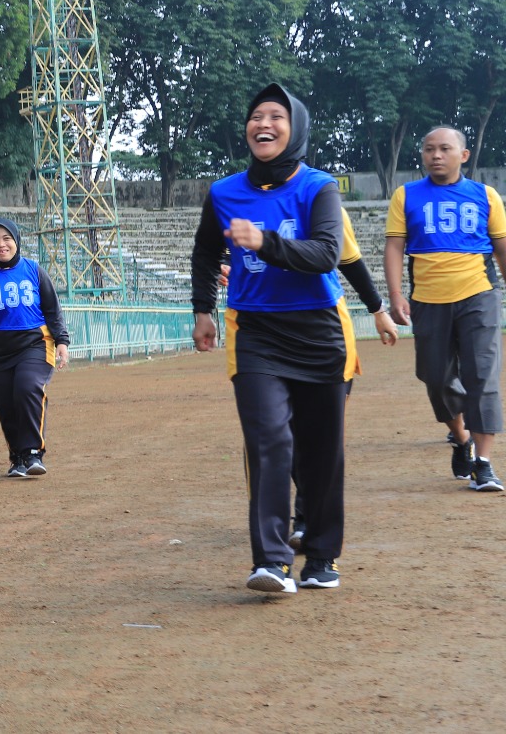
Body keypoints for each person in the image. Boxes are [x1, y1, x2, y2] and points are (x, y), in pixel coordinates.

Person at [191, 84, 354, 595]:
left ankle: (322, 555)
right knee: (268, 441)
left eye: (277, 116)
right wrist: (202, 311)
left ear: (296, 127)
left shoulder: (319, 187)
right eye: (256, 116)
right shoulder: (223, 193)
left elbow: (326, 254)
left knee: (321, 451)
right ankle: (272, 562)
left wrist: (264, 242)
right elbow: (203, 253)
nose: (264, 123)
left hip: (318, 330)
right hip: (256, 331)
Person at [384, 126, 506, 492]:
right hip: (427, 300)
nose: (436, 155)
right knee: (434, 377)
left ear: (463, 155)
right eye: (429, 149)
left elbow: (501, 247)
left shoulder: (485, 195)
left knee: (481, 377)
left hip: (478, 295)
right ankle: (461, 437)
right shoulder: (406, 196)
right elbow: (394, 248)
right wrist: (395, 295)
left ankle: (483, 464)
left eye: (445, 149)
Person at [284, 214, 401, 547]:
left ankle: (308, 518)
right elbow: (224, 254)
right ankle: (306, 514)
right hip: (267, 336)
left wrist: (378, 310)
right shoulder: (245, 198)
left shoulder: (320, 197)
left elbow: (351, 261)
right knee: (281, 435)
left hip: (325, 335)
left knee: (318, 437)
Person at [0, 219, 70, 479]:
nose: (1, 244)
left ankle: (33, 453)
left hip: (35, 344)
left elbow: (52, 309)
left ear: (16, 240)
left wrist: (62, 341)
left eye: (6, 238)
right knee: (5, 403)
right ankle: (17, 458)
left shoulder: (34, 270)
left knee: (27, 387)